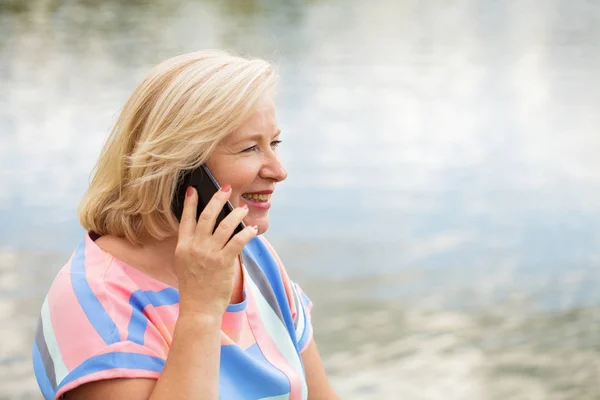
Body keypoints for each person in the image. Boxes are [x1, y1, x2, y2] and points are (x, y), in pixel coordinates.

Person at [32, 50, 339, 400]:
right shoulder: (93, 302)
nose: (278, 170)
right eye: (250, 148)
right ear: (180, 168)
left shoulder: (253, 256)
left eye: (274, 143)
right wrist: (202, 311)